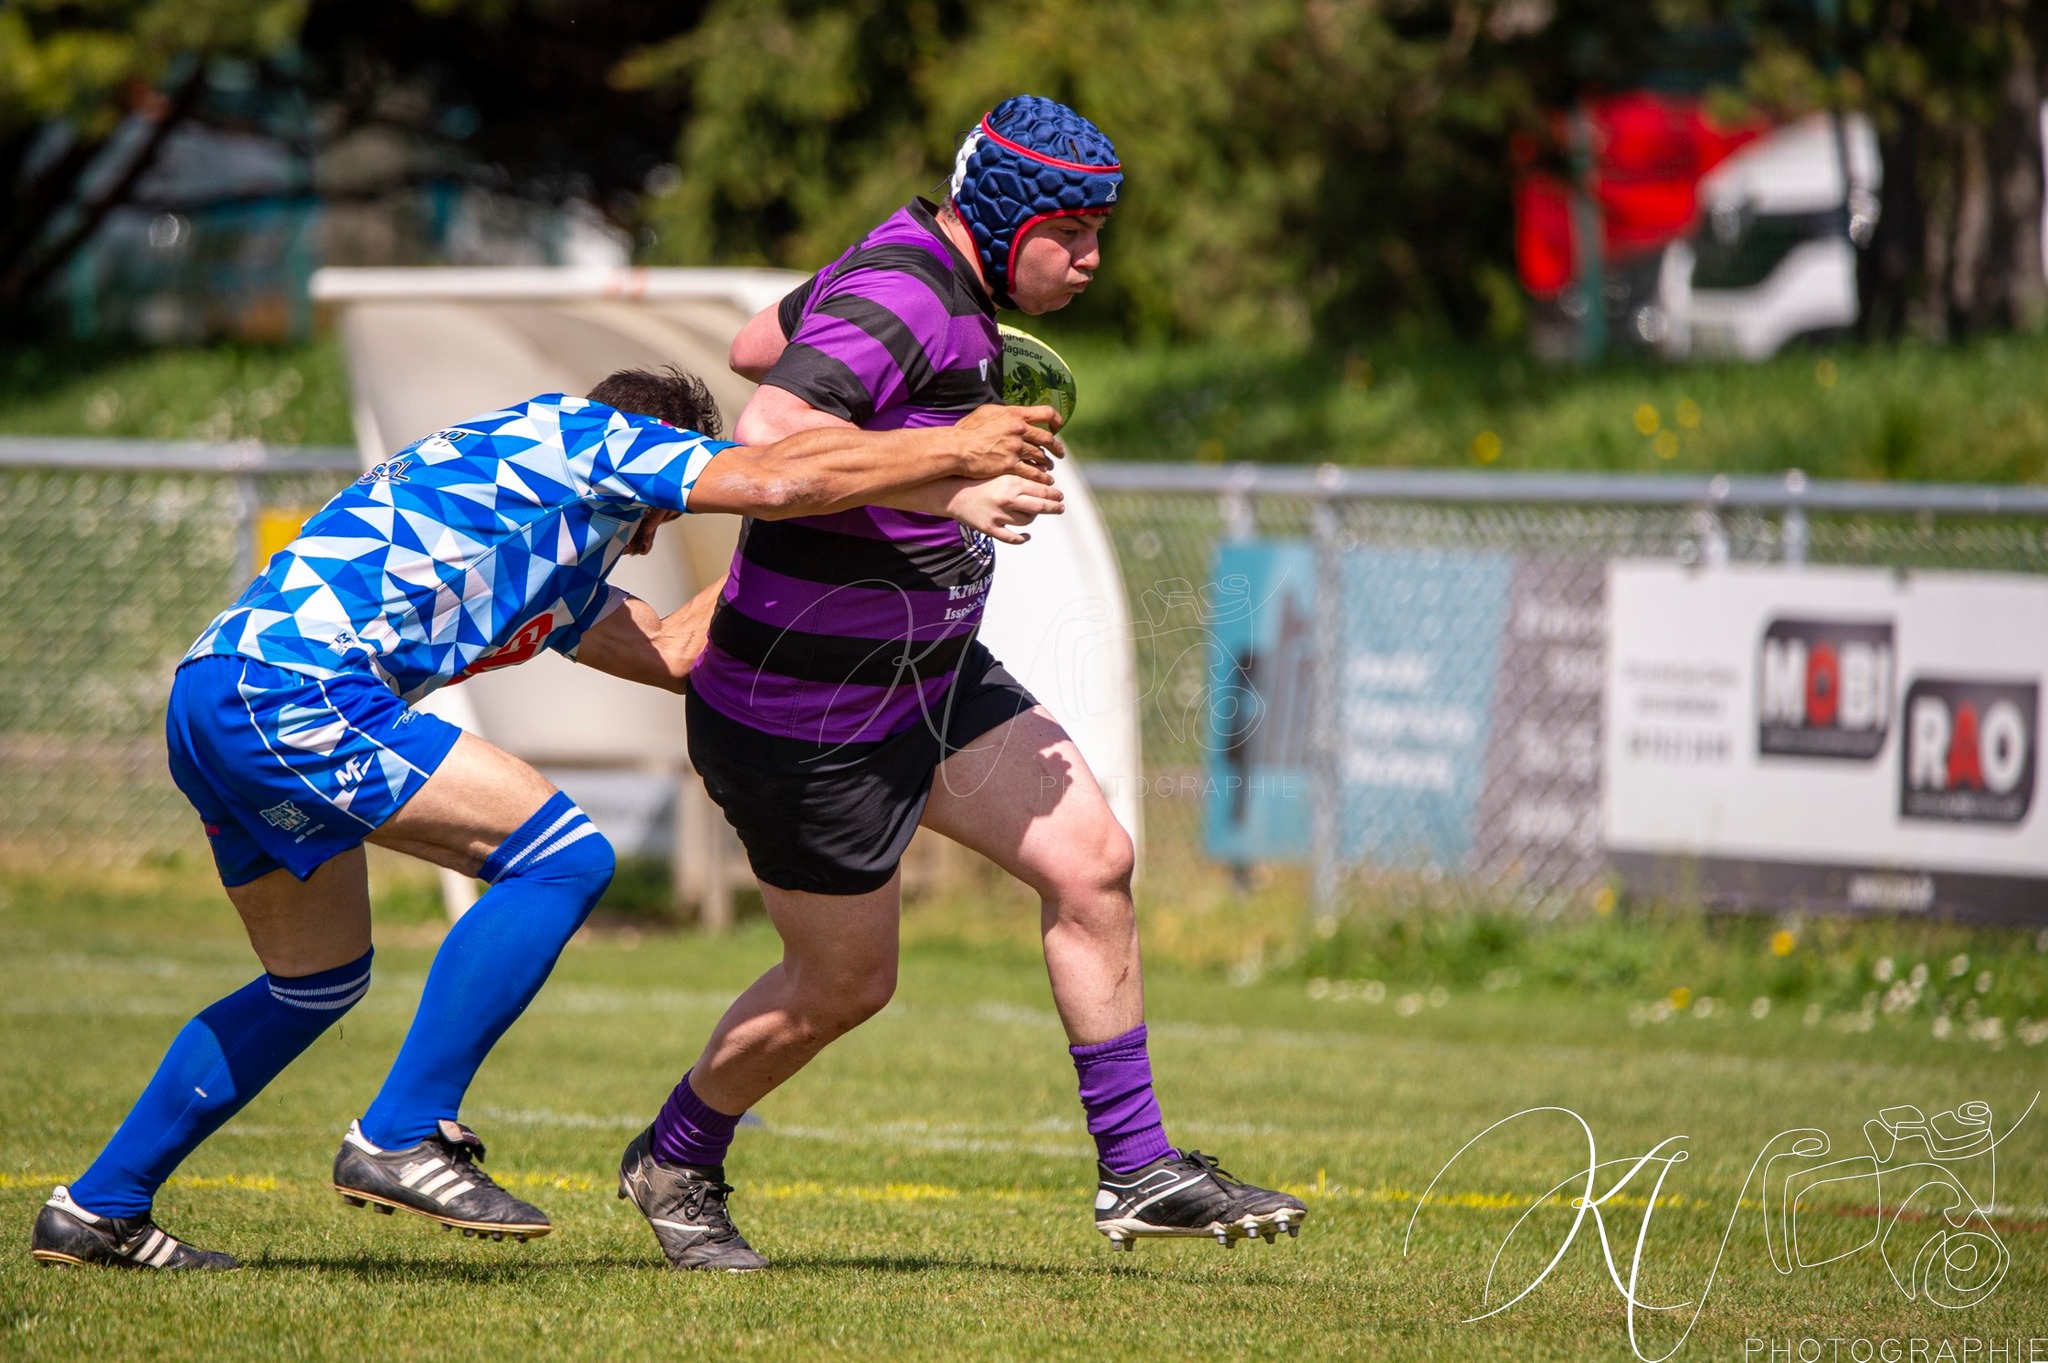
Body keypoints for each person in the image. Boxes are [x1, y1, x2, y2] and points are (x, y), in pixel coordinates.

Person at [29, 366, 1066, 1271]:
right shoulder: (578, 437)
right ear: (656, 455)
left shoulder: (548, 550)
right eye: (660, 513)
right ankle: (400, 1131)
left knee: (315, 980)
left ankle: (99, 1208)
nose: (653, 536)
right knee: (561, 855)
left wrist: (803, 550)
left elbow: (669, 655)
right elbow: (776, 478)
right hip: (293, 690)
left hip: (218, 694)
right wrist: (948, 450)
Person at [617, 96, 1307, 1272]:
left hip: (925, 678)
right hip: (805, 714)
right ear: (1001, 216)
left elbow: (750, 341)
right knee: (840, 987)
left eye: (1100, 232)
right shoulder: (904, 293)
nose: (1092, 258)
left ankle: (1137, 1170)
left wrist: (931, 446)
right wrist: (945, 473)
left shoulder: (911, 267)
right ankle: (674, 1156)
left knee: (1091, 862)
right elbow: (768, 433)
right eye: (1073, 232)